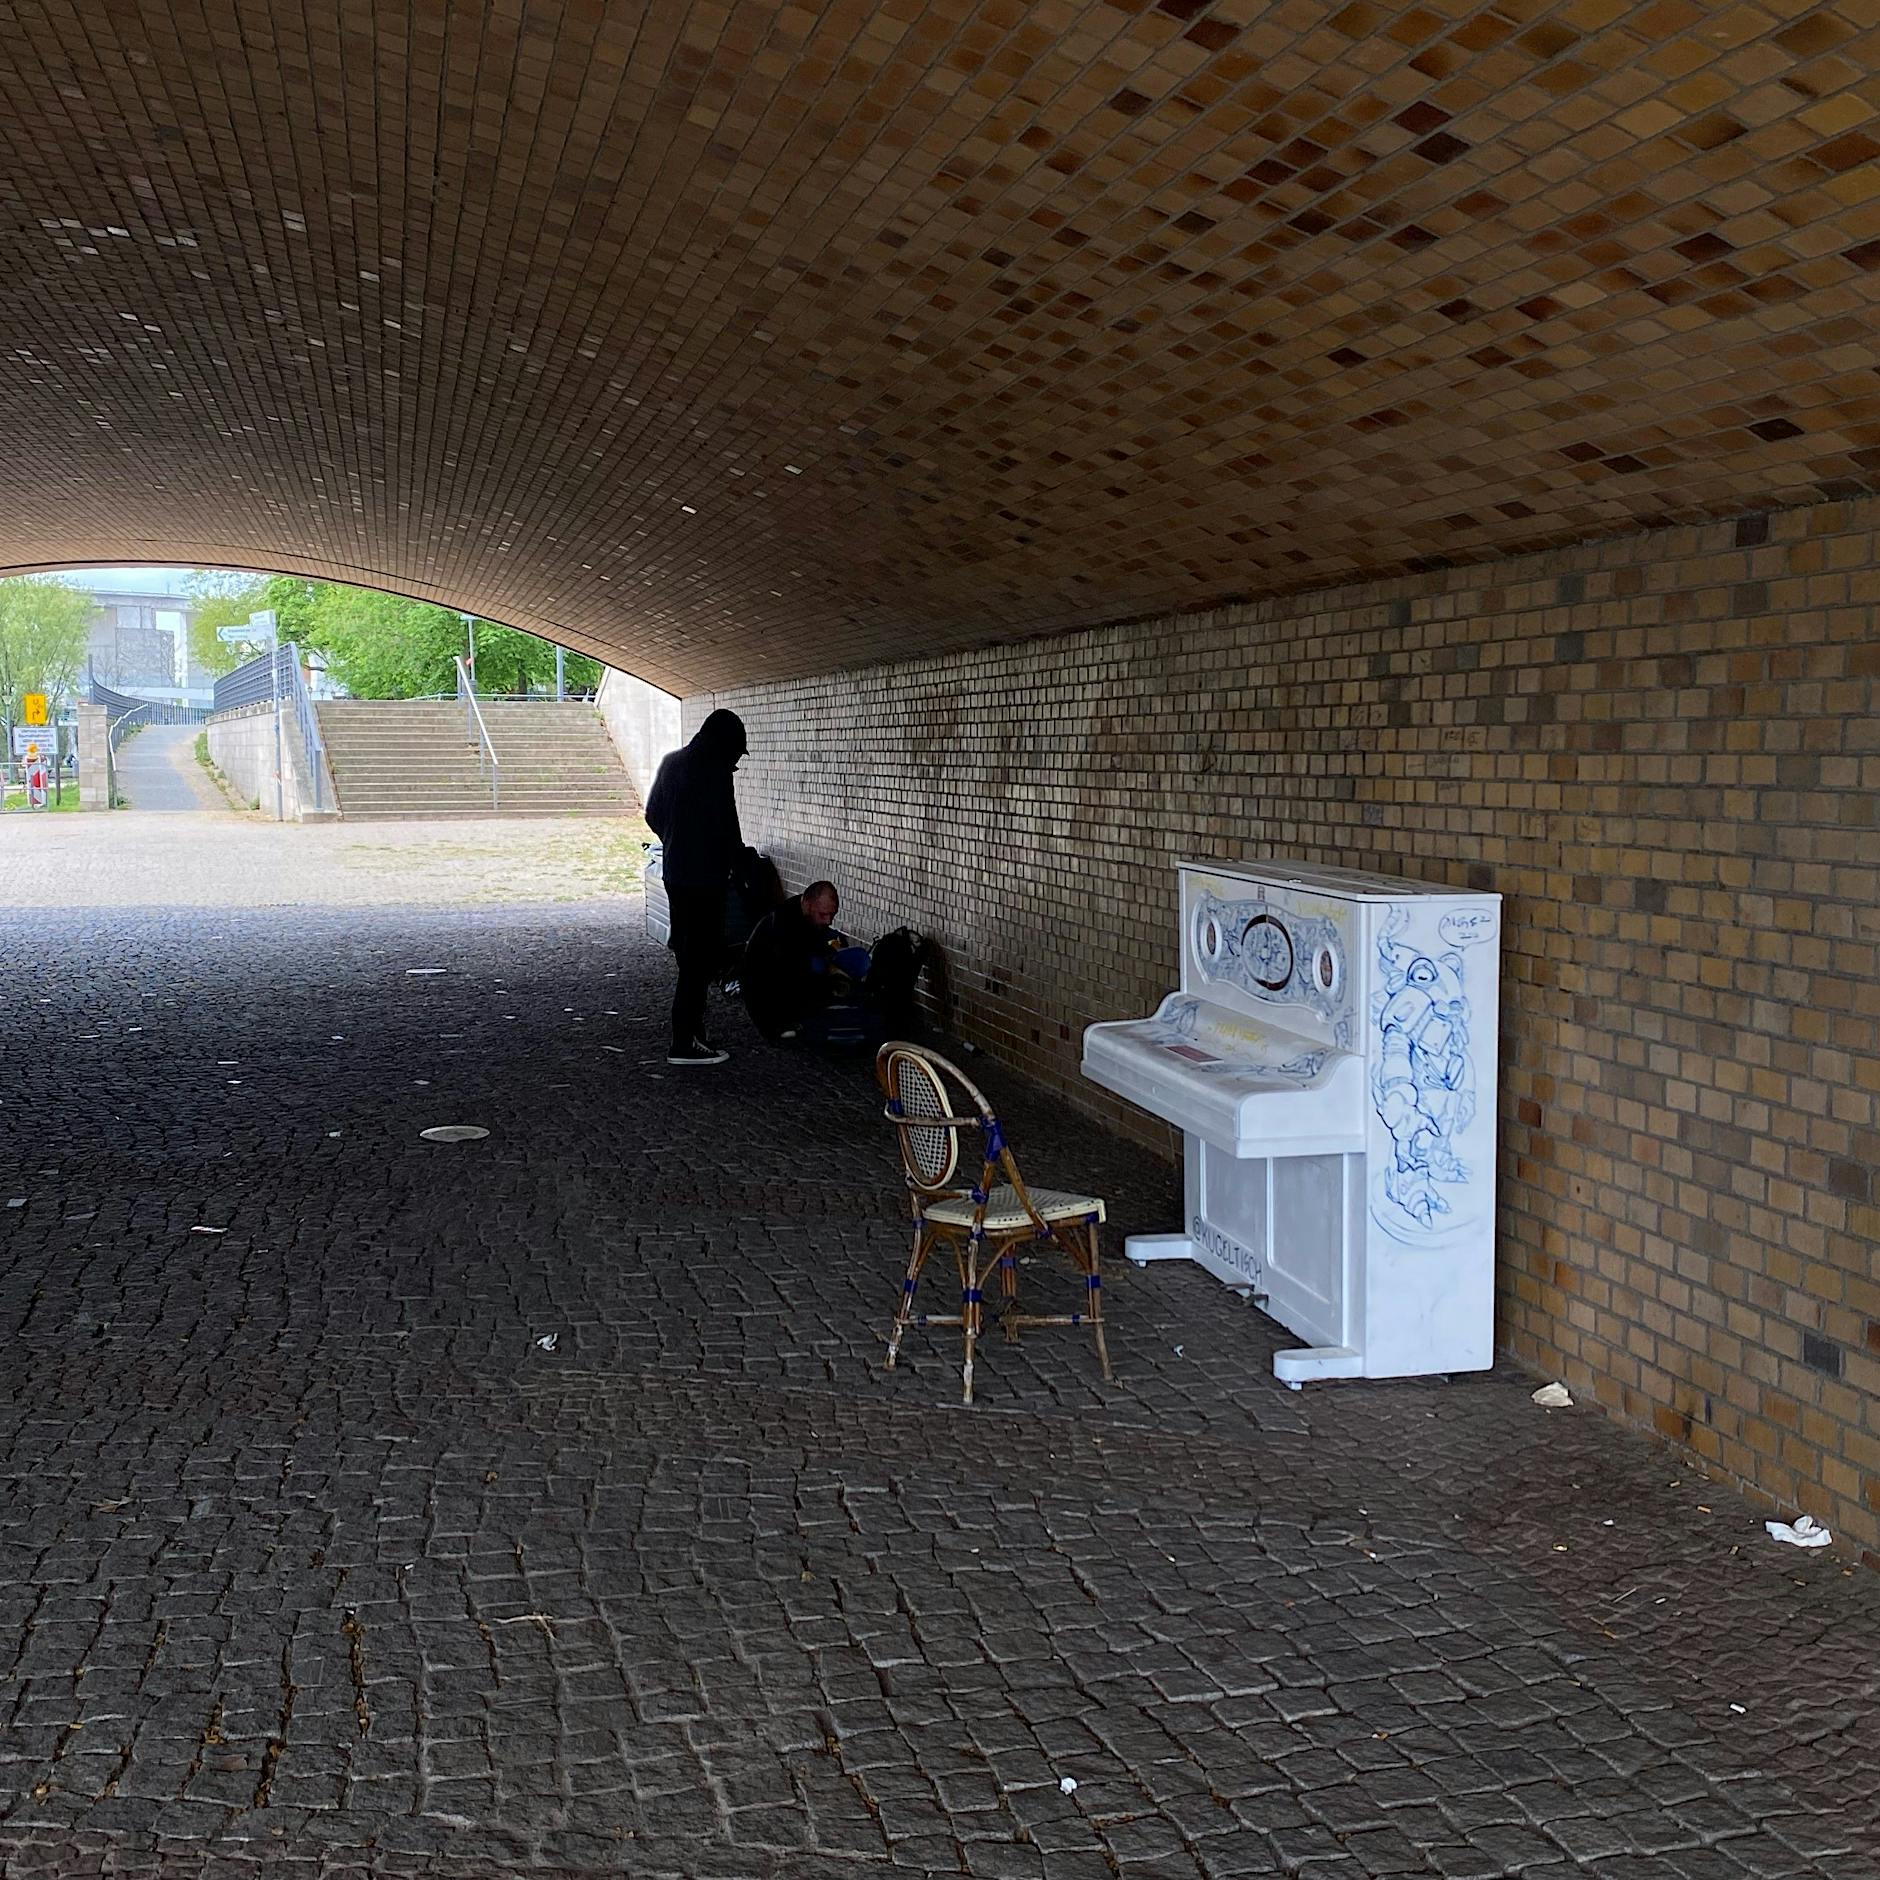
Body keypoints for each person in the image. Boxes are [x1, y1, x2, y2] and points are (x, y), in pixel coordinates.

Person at [643, 709, 749, 1066]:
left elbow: (652, 814)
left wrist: (676, 841)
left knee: (689, 956)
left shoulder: (672, 763)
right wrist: (740, 867)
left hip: (676, 874)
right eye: (736, 754)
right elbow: (727, 829)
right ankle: (684, 1041)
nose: (735, 761)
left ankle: (691, 1032)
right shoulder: (717, 773)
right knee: (699, 961)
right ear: (726, 746)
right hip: (706, 880)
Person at [741, 881, 845, 1041]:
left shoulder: (804, 915)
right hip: (767, 1000)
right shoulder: (783, 926)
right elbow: (793, 969)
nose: (828, 921)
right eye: (824, 915)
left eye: (832, 915)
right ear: (809, 905)